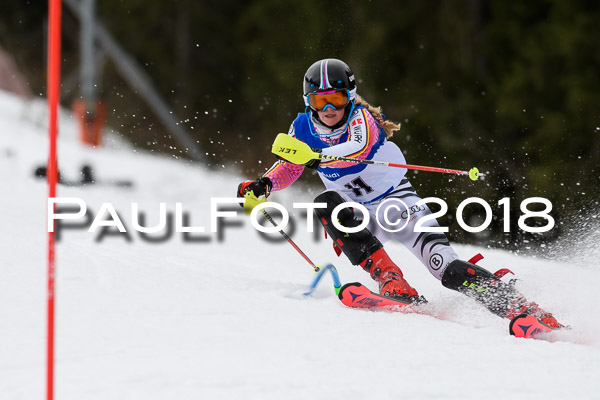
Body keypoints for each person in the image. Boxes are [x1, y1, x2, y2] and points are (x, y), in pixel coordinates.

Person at [238, 58, 562, 328]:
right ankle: (392, 280)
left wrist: (317, 157)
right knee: (326, 203)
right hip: (358, 214)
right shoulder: (303, 129)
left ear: (349, 96)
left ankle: (520, 308)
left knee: (447, 270)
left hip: (400, 207)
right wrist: (264, 184)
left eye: (335, 99)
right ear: (308, 101)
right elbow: (290, 165)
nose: (328, 108)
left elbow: (358, 148)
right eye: (319, 101)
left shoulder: (362, 119)